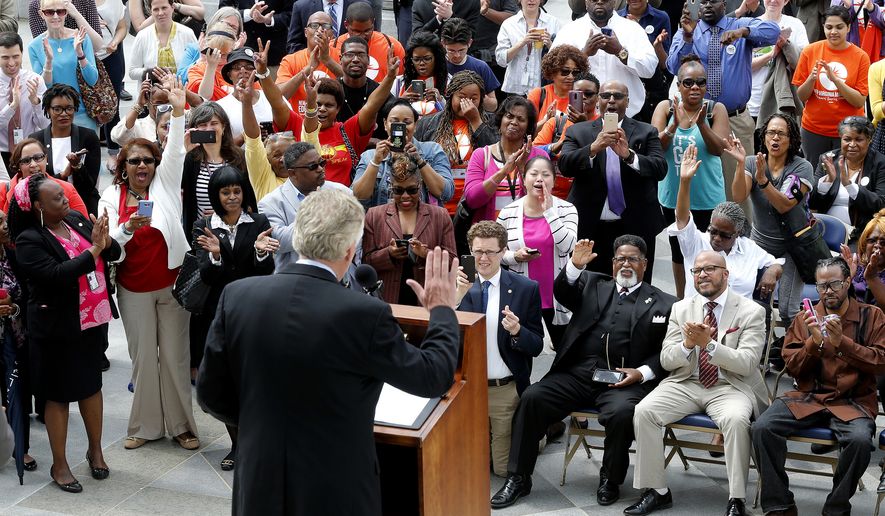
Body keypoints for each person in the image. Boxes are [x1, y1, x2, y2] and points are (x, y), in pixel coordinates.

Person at [197, 188, 461, 515]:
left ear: (300, 235)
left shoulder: (237, 296)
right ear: (351, 250)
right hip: (335, 487)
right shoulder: (365, 314)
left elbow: (210, 393)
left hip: (259, 482)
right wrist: (442, 312)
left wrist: (262, 425)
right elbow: (433, 377)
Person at [490, 235, 676, 509]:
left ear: (645, 264)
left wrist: (642, 373)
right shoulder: (593, 283)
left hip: (623, 380)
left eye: (633, 259)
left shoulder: (664, 302)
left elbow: (665, 353)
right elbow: (563, 292)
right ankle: (519, 477)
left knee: (623, 414)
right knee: (533, 397)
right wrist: (574, 266)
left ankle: (610, 478)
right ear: (612, 263)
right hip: (577, 373)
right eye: (620, 259)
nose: (626, 264)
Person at [97, 77, 199, 452]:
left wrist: (177, 108)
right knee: (143, 360)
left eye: (148, 160)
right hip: (133, 289)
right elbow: (107, 244)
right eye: (135, 161)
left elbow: (174, 148)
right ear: (123, 166)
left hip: (171, 287)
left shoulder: (167, 182)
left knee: (174, 358)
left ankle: (183, 427)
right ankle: (144, 426)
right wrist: (126, 228)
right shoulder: (110, 196)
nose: (143, 165)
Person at [627, 251, 768, 516]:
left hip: (730, 386)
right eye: (696, 270)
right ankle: (656, 491)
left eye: (710, 269)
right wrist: (688, 344)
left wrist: (710, 346)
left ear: (725, 274)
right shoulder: (682, 308)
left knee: (737, 421)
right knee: (644, 411)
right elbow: (667, 361)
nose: (702, 274)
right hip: (686, 381)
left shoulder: (751, 311)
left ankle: (736, 499)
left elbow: (747, 363)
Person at [11, 173, 121, 493]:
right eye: (57, 198)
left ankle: (95, 451)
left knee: (91, 387)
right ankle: (59, 464)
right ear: (37, 207)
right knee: (58, 395)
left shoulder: (75, 219)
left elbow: (111, 255)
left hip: (90, 320)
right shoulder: (30, 239)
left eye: (63, 194)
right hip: (55, 327)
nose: (65, 200)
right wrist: (94, 250)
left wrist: (105, 240)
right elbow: (57, 275)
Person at [753, 256, 885, 516]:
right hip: (808, 396)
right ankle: (780, 505)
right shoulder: (806, 318)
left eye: (834, 284)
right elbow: (791, 367)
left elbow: (881, 363)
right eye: (822, 286)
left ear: (848, 282)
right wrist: (813, 344)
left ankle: (836, 508)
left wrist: (842, 343)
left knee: (859, 441)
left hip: (853, 400)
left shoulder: (872, 316)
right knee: (762, 428)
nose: (828, 292)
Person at [191, 166, 277, 471]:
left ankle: (254, 440)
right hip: (219, 311)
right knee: (226, 379)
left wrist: (260, 254)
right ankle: (237, 445)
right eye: (225, 192)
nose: (231, 197)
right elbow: (208, 275)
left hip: (254, 310)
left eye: (236, 191)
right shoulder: (204, 225)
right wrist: (216, 255)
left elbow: (262, 272)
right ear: (216, 195)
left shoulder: (259, 222)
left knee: (252, 379)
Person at [668, 0, 780, 203]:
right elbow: (673, 66)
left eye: (714, 1)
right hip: (698, 121)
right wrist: (687, 37)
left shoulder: (737, 25)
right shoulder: (688, 30)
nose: (708, 5)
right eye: (703, 2)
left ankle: (741, 231)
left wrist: (743, 32)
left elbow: (773, 32)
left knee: (738, 187)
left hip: (734, 119)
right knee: (698, 183)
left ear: (724, 3)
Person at [455, 220, 543, 479]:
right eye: (477, 251)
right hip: (467, 389)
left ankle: (539, 435)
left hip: (503, 389)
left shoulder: (526, 288)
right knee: (471, 466)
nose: (482, 259)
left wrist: (517, 332)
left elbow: (536, 345)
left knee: (502, 469)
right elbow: (439, 332)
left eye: (490, 252)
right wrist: (455, 297)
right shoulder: (456, 283)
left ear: (503, 251)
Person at [558, 80, 667, 282]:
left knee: (635, 284)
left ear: (627, 101)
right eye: (606, 96)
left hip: (635, 225)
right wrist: (593, 148)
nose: (611, 100)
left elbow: (660, 169)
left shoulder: (646, 131)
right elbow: (565, 165)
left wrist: (629, 156)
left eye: (617, 96)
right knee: (590, 287)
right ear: (598, 100)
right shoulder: (578, 131)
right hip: (590, 226)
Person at [652, 57, 730, 298]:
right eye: (688, 82)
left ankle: (709, 298)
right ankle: (682, 298)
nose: (695, 87)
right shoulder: (665, 108)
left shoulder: (716, 109)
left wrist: (703, 124)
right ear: (678, 85)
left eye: (700, 82)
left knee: (710, 252)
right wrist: (673, 125)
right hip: (673, 197)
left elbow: (718, 149)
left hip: (708, 196)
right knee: (678, 252)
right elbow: (656, 146)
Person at [730, 112, 815, 326]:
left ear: (791, 139)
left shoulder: (801, 167)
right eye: (771, 133)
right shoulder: (753, 162)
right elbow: (739, 196)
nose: (775, 138)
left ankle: (792, 352)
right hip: (760, 243)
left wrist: (764, 182)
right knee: (753, 304)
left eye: (780, 134)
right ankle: (760, 348)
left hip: (793, 246)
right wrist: (740, 165)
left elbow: (784, 205)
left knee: (787, 310)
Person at [671, 144, 783, 300]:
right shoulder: (695, 243)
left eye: (724, 235)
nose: (716, 238)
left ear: (736, 233)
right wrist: (684, 181)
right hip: (699, 315)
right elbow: (682, 217)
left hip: (740, 317)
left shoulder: (748, 248)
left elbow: (775, 263)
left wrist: (771, 271)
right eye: (713, 231)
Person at [496, 156, 577, 348]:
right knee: (522, 346)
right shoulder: (508, 212)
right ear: (524, 179)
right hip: (522, 294)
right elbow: (497, 252)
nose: (539, 179)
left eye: (545, 174)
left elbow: (568, 247)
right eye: (534, 174)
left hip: (557, 295)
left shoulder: (567, 209)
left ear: (554, 181)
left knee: (564, 350)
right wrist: (515, 256)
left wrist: (549, 212)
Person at [362, 156, 456, 304]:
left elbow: (452, 262)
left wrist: (425, 253)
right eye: (398, 191)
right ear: (391, 188)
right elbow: (365, 262)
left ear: (420, 185)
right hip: (386, 301)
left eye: (412, 190)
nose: (405, 196)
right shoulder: (374, 215)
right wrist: (389, 254)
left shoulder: (440, 216)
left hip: (427, 301)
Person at [551, 0, 658, 119]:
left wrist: (620, 52)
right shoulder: (570, 30)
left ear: (614, 2)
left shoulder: (632, 29)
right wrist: (583, 54)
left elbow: (649, 69)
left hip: (628, 116)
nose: (600, 2)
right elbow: (551, 70)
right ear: (586, 2)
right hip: (580, 118)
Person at [793, 5, 870, 169]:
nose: (833, 31)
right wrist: (811, 79)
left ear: (848, 28)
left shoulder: (861, 56)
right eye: (829, 27)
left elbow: (859, 101)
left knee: (847, 178)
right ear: (823, 27)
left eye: (839, 27)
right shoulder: (810, 51)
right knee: (815, 177)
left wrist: (835, 80)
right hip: (813, 130)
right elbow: (801, 96)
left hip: (849, 132)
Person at [258, 141, 352, 270]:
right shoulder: (270, 203)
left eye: (322, 163)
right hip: (296, 282)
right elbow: (279, 243)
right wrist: (316, 213)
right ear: (292, 173)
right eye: (313, 166)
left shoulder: (342, 192)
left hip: (339, 277)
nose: (320, 169)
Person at [414, 70, 500, 204]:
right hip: (437, 200)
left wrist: (476, 121)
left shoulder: (492, 122)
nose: (467, 102)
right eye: (462, 97)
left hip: (474, 200)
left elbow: (497, 155)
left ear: (481, 99)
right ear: (451, 96)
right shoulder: (427, 123)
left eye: (473, 98)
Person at [352, 99, 453, 209]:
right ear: (385, 124)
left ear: (415, 125)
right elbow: (358, 197)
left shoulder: (432, 150)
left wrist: (419, 160)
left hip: (423, 222)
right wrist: (375, 162)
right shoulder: (369, 156)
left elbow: (446, 193)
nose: (401, 126)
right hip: (383, 223)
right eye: (394, 121)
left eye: (407, 122)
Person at [463, 97, 545, 225]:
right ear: (500, 120)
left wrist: (523, 170)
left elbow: (543, 199)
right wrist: (503, 172)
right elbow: (472, 199)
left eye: (521, 119)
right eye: (509, 116)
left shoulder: (539, 157)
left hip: (527, 236)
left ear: (528, 127)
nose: (514, 122)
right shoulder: (481, 155)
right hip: (489, 238)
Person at [181, 102, 254, 241]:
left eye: (214, 123)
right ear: (194, 129)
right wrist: (183, 153)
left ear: (223, 126)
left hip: (237, 235)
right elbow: (175, 188)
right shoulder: (190, 159)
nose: (208, 128)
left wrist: (226, 212)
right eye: (203, 125)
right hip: (203, 236)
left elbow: (251, 203)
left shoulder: (240, 158)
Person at [0, 206, 36, 472]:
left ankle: (20, 449)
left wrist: (12, 307)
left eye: (4, 220)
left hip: (15, 336)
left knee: (18, 391)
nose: (5, 225)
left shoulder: (12, 254)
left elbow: (26, 293)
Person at [811, 116, 885, 243]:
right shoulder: (828, 159)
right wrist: (827, 182)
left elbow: (880, 205)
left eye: (859, 139)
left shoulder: (880, 163)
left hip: (860, 235)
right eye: (847, 139)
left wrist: (849, 185)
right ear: (841, 139)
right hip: (824, 231)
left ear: (869, 140)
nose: (852, 144)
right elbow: (812, 203)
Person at [28, 85, 101, 215]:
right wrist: (62, 176)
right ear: (48, 110)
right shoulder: (36, 140)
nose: (64, 114)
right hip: (48, 208)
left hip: (83, 205)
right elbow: (34, 184)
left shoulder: (88, 137)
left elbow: (90, 185)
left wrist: (77, 166)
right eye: (57, 109)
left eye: (69, 108)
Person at [28, 1, 100, 131]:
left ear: (66, 13)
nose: (56, 16)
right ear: (41, 14)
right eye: (49, 12)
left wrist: (80, 54)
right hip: (54, 115)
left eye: (60, 11)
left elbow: (92, 79)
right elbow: (44, 87)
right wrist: (49, 61)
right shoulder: (35, 45)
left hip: (83, 113)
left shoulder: (81, 38)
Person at [747, 0, 808, 122]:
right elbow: (742, 66)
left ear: (786, 1)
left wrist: (786, 45)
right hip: (752, 101)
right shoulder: (750, 26)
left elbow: (804, 65)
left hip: (782, 101)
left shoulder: (795, 24)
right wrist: (771, 54)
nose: (773, 1)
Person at [276, 11, 343, 115]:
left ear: (332, 33)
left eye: (325, 26)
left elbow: (355, 85)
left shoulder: (341, 56)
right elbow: (278, 97)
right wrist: (308, 68)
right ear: (306, 32)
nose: (320, 30)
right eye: (314, 25)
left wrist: (327, 60)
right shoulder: (290, 60)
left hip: (335, 124)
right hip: (301, 125)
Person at [0, 138, 88, 217]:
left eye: (38, 158)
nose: (33, 164)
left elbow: (81, 225)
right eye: (26, 161)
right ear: (18, 165)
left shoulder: (66, 188)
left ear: (46, 159)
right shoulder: (3, 191)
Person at [0, 32, 49, 172]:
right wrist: (12, 106)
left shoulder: (35, 80)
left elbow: (45, 124)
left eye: (15, 57)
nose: (11, 63)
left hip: (29, 153)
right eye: (5, 57)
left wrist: (36, 102)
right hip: (2, 152)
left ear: (22, 54)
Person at [617, 0, 672, 123]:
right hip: (625, 79)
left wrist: (657, 46)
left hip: (653, 85)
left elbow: (666, 65)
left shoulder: (661, 17)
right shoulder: (616, 17)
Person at [334, 36, 396, 142]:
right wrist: (368, 141)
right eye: (349, 54)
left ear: (368, 60)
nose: (355, 59)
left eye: (361, 55)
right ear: (340, 59)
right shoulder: (330, 91)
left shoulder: (380, 92)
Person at [495, 0, 562, 97]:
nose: (531, 0)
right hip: (515, 87)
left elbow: (563, 58)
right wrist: (522, 42)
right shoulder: (509, 24)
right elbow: (501, 60)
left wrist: (549, 44)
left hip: (543, 87)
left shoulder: (553, 22)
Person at [213, 48, 279, 139]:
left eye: (249, 67)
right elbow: (219, 148)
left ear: (256, 72)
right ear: (229, 75)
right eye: (237, 67)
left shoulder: (271, 98)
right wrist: (248, 136)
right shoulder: (219, 107)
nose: (243, 71)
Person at [128, 0, 198, 84]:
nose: (160, 13)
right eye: (156, 9)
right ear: (151, 11)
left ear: (172, 8)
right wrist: (151, 73)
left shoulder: (187, 33)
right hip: (152, 94)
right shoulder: (142, 36)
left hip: (182, 94)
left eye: (164, 8)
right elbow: (132, 72)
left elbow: (198, 65)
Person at [532, 72, 600, 157]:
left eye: (588, 94)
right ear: (570, 95)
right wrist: (557, 145)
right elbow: (533, 152)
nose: (583, 97)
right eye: (577, 94)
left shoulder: (603, 124)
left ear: (598, 98)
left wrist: (583, 125)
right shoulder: (557, 122)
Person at [334, 2, 406, 82]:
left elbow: (401, 83)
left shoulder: (392, 45)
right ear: (346, 25)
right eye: (356, 31)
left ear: (373, 23)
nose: (362, 36)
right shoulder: (333, 47)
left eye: (367, 30)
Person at [440, 18, 500, 112]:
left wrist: (476, 95)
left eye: (461, 50)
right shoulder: (436, 65)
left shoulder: (481, 67)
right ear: (443, 44)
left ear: (470, 43)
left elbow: (493, 106)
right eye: (451, 50)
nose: (457, 55)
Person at [526, 45, 590, 132]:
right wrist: (546, 120)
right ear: (552, 72)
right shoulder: (538, 94)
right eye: (565, 71)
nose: (571, 77)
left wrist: (583, 121)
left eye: (576, 73)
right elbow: (526, 133)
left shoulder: (584, 97)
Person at [219, 0, 293, 66]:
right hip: (240, 53)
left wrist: (270, 20)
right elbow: (223, 12)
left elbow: (291, 13)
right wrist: (249, 14)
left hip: (274, 54)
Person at [392, 31, 447, 117]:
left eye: (427, 58)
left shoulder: (449, 82)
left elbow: (455, 116)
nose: (421, 63)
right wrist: (401, 101)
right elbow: (387, 114)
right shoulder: (399, 83)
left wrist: (440, 101)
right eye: (416, 59)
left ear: (437, 58)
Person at [286, 0, 366, 53]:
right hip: (314, 70)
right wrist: (318, 54)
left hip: (351, 70)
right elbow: (293, 45)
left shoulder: (361, 5)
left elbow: (370, 39)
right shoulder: (302, 6)